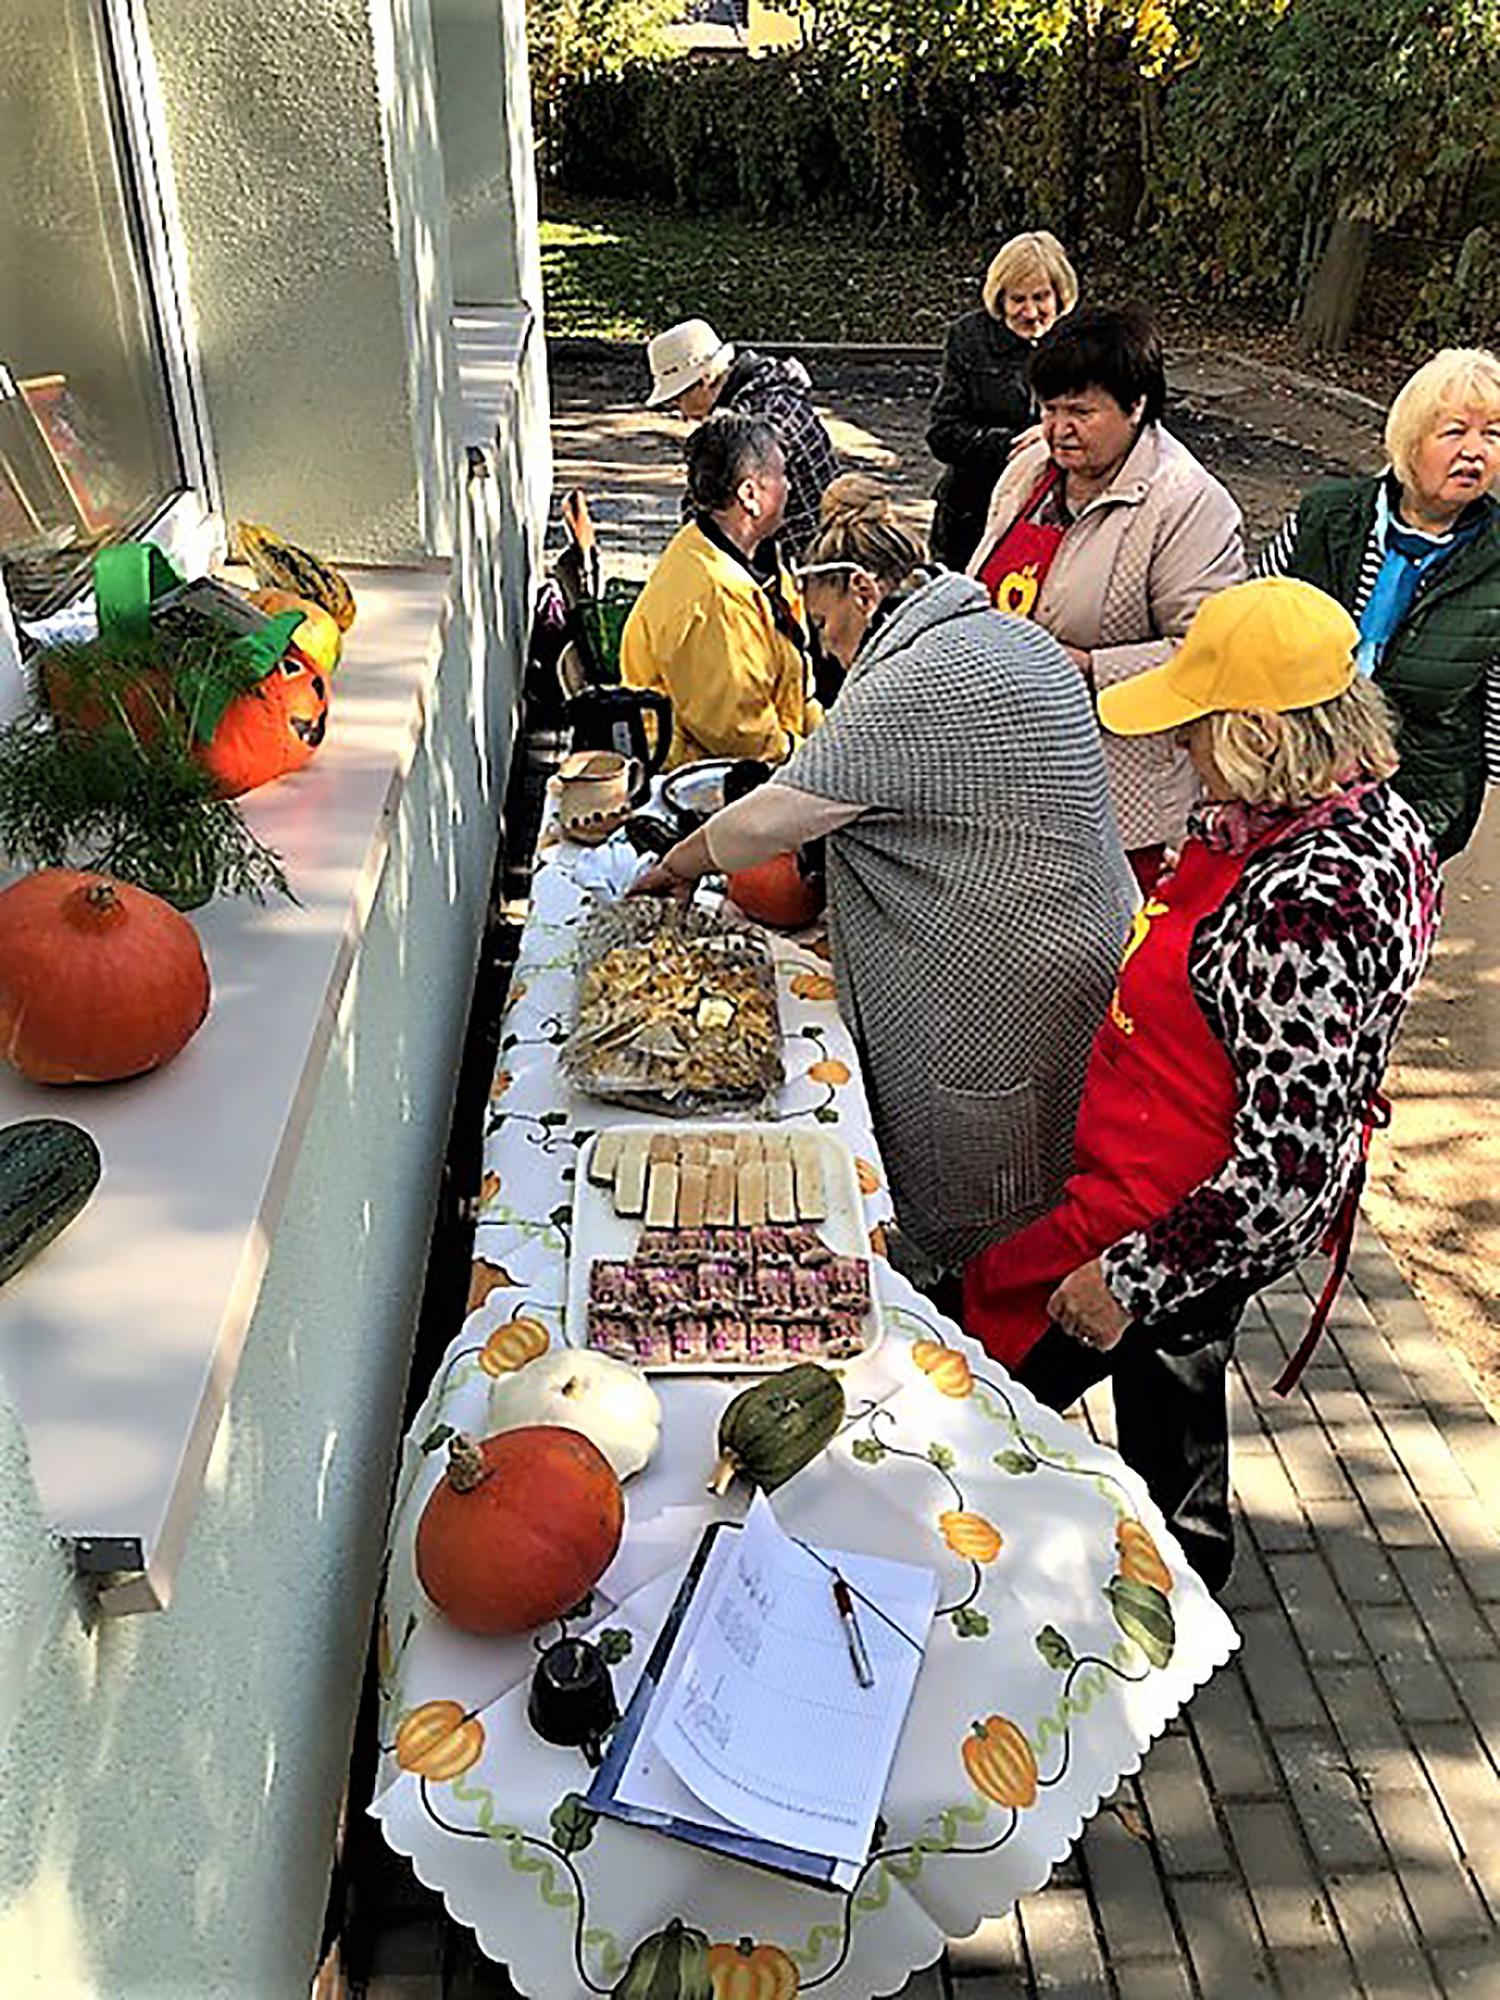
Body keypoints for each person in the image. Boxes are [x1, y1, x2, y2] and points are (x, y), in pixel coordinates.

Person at [963, 578, 1440, 1592]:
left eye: (1197, 731)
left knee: (1028, 1373)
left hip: (1182, 1216)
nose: (1180, 752)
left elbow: (1283, 1171)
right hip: (1165, 1183)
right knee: (1162, 1386)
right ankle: (1170, 1555)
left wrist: (1129, 1279)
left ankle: (1170, 1600)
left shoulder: (1302, 905)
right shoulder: (1373, 817)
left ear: (1262, 735)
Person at [632, 475, 1136, 1272]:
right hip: (1077, 938)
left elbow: (774, 814)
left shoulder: (922, 674)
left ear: (865, 591)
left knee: (991, 1162)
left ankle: (984, 1310)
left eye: (830, 627)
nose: (829, 649)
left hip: (1019, 968)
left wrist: (676, 866)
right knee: (1043, 1146)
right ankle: (1018, 1283)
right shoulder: (993, 631)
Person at [969, 305, 1246, 892]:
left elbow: (1210, 655)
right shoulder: (1030, 471)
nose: (1058, 429)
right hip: (1008, 764)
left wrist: (1091, 667)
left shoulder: (1188, 504)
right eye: (1049, 409)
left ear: (1137, 405)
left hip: (1113, 795)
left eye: (1081, 411)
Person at [1256, 346, 1500, 861]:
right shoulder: (1327, 517)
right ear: (1411, 440)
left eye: (1493, 434)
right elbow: (1249, 627)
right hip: (1292, 775)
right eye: (1455, 432)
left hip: (1417, 806)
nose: (1475, 452)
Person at [619, 412, 816, 769]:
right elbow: (741, 736)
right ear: (749, 495)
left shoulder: (752, 558)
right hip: (696, 771)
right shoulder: (715, 595)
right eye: (782, 475)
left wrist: (833, 737)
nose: (789, 486)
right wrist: (815, 760)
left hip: (770, 748)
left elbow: (796, 691)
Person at [927, 230, 1079, 571]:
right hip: (972, 515)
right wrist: (1009, 446)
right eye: (1017, 300)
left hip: (1052, 520)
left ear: (1060, 295)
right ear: (1000, 299)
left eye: (1041, 298)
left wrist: (1048, 433)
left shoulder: (1080, 342)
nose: (1030, 312)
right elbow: (943, 433)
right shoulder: (969, 338)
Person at [643, 319, 839, 560]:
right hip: (823, 547)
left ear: (704, 380)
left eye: (677, 399)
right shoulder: (774, 396)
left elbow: (709, 514)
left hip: (809, 565)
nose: (680, 412)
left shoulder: (758, 426)